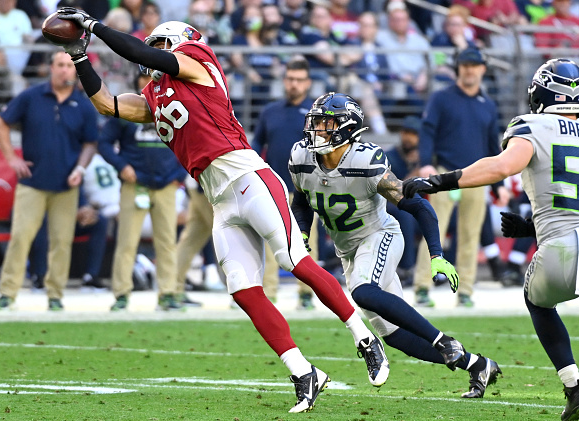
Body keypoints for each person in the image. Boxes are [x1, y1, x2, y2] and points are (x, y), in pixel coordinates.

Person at [56, 11, 393, 412]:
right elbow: (107, 104)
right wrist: (80, 57)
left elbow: (141, 54)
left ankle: (364, 336)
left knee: (293, 260)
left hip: (249, 177)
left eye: (158, 46)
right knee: (243, 290)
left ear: (176, 41)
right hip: (218, 196)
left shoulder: (198, 60)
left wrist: (94, 26)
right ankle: (304, 372)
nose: (151, 55)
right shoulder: (154, 95)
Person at [289, 92, 501, 400]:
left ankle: (442, 341)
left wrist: (437, 255)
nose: (317, 130)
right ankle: (477, 364)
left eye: (326, 123)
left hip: (379, 235)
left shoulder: (365, 161)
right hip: (348, 250)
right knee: (396, 336)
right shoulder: (302, 157)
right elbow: (303, 201)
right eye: (316, 122)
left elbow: (419, 207)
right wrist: (303, 234)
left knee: (362, 291)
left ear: (346, 128)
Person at [402, 57, 579, 421]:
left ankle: (574, 385)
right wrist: (532, 227)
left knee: (538, 301)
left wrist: (438, 181)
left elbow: (501, 166)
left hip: (562, 246)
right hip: (567, 234)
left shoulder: (534, 125)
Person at [0, 50, 97, 311]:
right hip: (32, 183)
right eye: (60, 65)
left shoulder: (83, 104)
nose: (65, 70)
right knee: (20, 238)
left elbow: (90, 143)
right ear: (51, 68)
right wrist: (11, 159)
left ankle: (55, 295)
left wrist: (81, 169)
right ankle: (8, 293)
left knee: (61, 242)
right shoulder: (31, 97)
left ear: (75, 71)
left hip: (67, 185)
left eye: (69, 66)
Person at [412, 46, 509, 308]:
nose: (469, 69)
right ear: (459, 68)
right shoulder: (441, 98)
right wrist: (425, 165)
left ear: (482, 69)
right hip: (445, 174)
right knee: (434, 232)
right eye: (464, 65)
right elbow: (427, 131)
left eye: (473, 65)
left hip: (476, 177)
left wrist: (499, 183)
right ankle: (422, 286)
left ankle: (465, 290)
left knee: (471, 235)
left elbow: (493, 146)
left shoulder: (487, 104)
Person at [97, 73, 187, 311]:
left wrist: (179, 175)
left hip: (166, 184)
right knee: (127, 240)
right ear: (136, 85)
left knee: (167, 241)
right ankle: (121, 293)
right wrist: (122, 166)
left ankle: (168, 293)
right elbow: (104, 142)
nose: (149, 87)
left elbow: (188, 140)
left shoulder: (173, 107)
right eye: (144, 83)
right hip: (134, 183)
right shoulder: (126, 109)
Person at [252, 55, 315, 308]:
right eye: (290, 79)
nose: (294, 84)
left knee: (306, 242)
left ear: (308, 83)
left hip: (305, 189)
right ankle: (269, 292)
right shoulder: (270, 112)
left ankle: (307, 294)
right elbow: (257, 142)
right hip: (274, 186)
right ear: (284, 80)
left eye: (299, 80)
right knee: (270, 240)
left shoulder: (315, 113)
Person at [385, 116, 422, 287]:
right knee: (405, 216)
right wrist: (415, 170)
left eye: (413, 134)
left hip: (418, 207)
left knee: (452, 218)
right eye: (406, 132)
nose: (408, 137)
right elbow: (394, 190)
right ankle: (407, 269)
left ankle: (445, 268)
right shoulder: (390, 156)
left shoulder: (426, 157)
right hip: (391, 206)